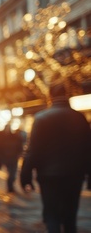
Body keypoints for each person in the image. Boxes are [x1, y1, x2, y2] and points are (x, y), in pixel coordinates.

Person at [20, 82, 91, 233]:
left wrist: (25, 176)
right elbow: (87, 149)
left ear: (50, 96)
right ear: (67, 94)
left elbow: (33, 150)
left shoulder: (41, 118)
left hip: (48, 176)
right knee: (70, 217)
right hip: (74, 175)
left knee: (52, 216)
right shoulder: (79, 117)